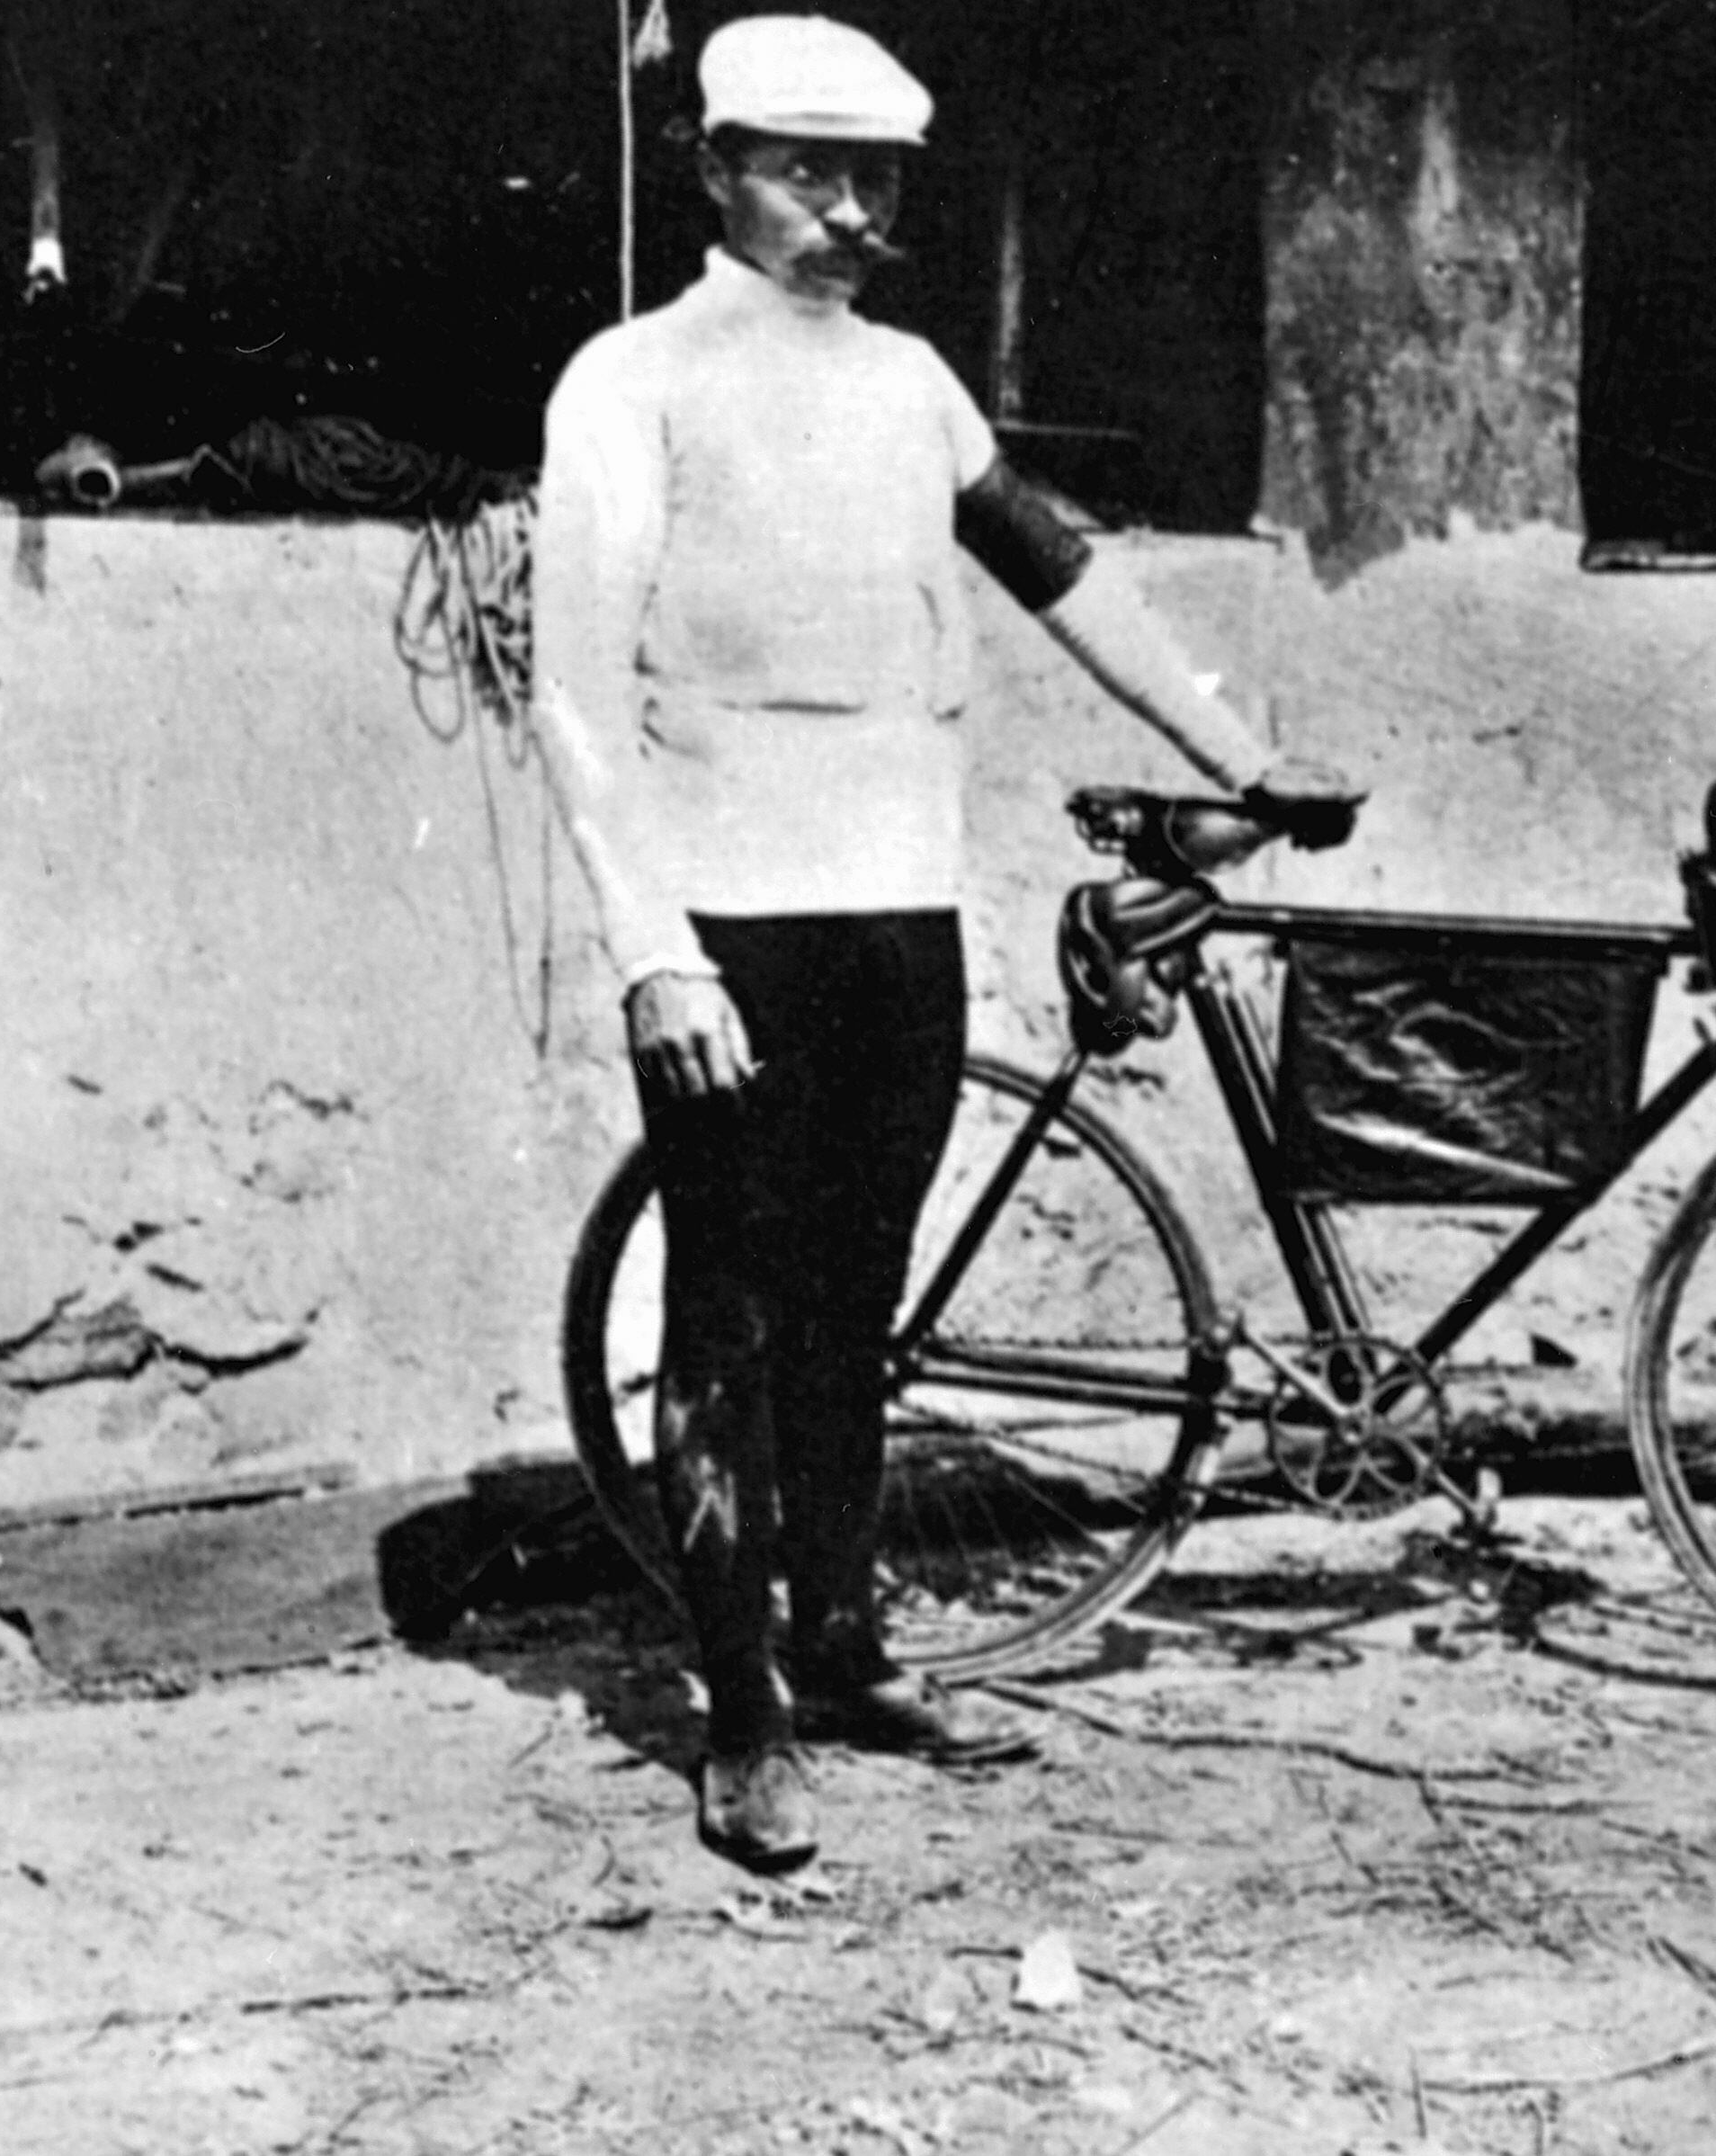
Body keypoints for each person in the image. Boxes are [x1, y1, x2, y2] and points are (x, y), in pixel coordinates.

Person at [531, 13, 1355, 1873]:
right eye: (806, 173)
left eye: (877, 181)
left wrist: (1237, 758)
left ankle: (842, 1647)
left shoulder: (913, 387)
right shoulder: (632, 382)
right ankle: (741, 1715)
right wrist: (655, 950)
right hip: (729, 921)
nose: (849, 212)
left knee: (858, 1304)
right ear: (713, 170)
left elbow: (1062, 571)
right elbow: (574, 690)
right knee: (731, 1312)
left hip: (896, 912)